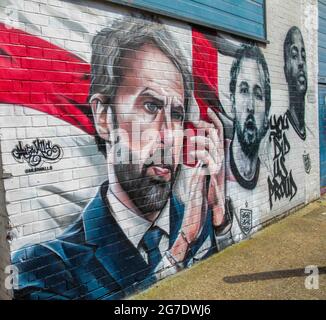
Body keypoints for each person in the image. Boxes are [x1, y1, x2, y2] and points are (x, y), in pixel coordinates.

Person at [12, 15, 226, 300]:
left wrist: (220, 219)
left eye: (176, 114)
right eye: (150, 106)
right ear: (103, 117)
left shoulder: (195, 216)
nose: (168, 136)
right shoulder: (43, 266)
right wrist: (180, 248)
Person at [229, 44, 271, 190]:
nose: (250, 106)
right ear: (232, 102)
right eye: (244, 90)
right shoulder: (217, 175)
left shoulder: (269, 172)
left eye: (258, 95)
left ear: (266, 114)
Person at [283, 26, 307, 140]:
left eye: (303, 56)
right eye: (294, 55)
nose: (301, 62)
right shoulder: (284, 129)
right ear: (285, 71)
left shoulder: (310, 131)